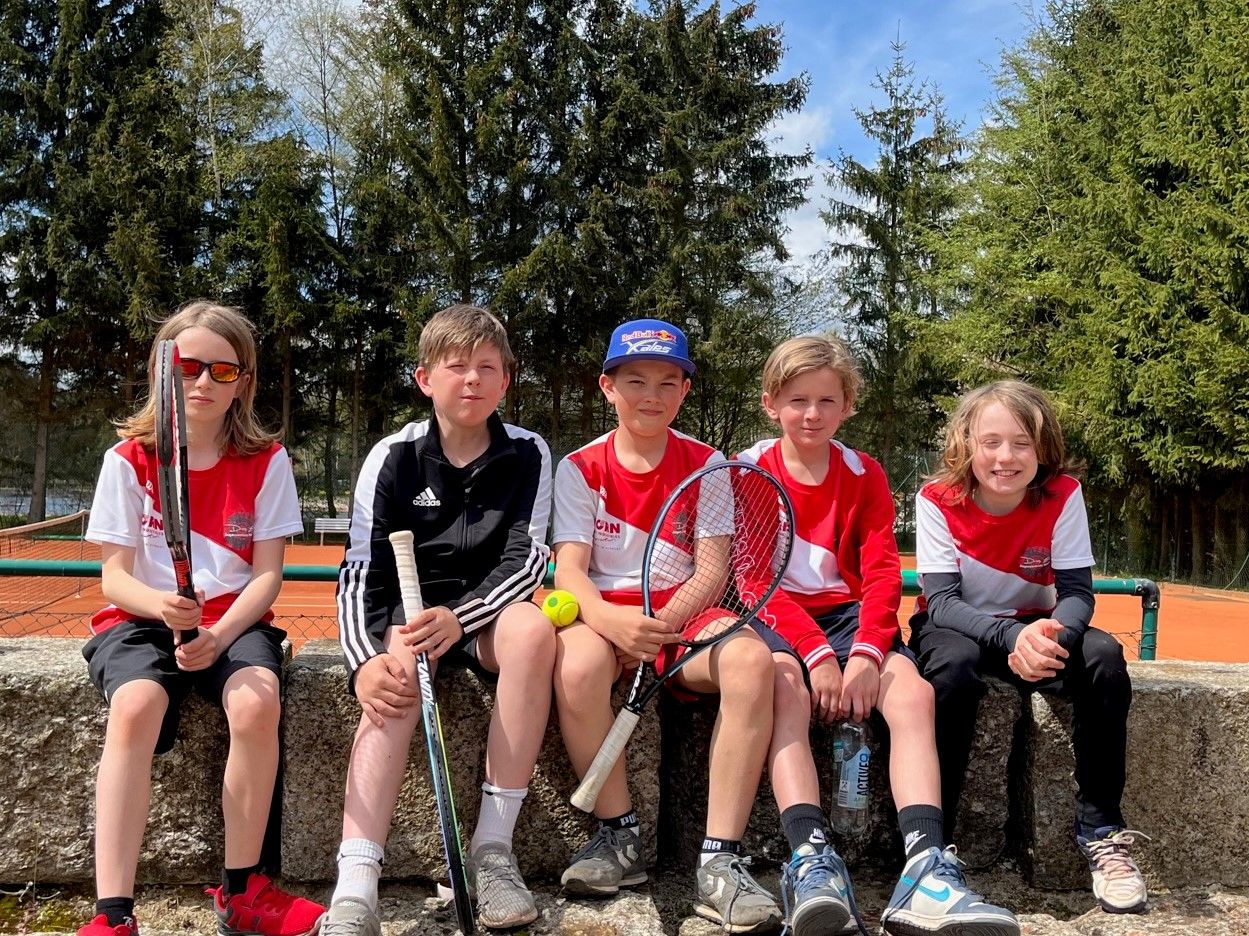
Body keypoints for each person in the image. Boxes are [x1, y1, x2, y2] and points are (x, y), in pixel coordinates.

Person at [737, 335, 1018, 936]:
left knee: (912, 693)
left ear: (847, 405)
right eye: (797, 400)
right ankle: (812, 860)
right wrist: (817, 655)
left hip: (849, 619)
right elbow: (754, 579)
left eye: (826, 401)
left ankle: (925, 869)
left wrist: (866, 653)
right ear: (770, 403)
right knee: (784, 690)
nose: (811, 414)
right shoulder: (749, 470)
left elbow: (883, 572)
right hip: (776, 615)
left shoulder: (864, 472)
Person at [78, 301, 323, 936]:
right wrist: (163, 606)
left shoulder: (267, 460)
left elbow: (266, 577)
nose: (204, 382)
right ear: (162, 373)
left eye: (223, 370)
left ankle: (242, 890)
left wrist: (217, 635)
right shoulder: (129, 459)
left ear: (244, 380)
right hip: (139, 618)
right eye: (187, 367)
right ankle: (113, 913)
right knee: (135, 706)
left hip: (233, 622)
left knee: (256, 702)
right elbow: (113, 579)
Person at [319, 304, 554, 935]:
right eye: (456, 367)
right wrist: (363, 662)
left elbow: (528, 558)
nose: (472, 379)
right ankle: (356, 883)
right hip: (410, 617)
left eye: (487, 367)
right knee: (392, 676)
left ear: (506, 380)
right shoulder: (392, 456)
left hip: (488, 614)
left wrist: (462, 615)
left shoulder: (530, 452)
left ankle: (493, 852)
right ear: (425, 379)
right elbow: (359, 568)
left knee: (534, 632)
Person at [551, 318, 783, 933]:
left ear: (684, 391)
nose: (650, 395)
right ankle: (618, 836)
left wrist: (655, 629)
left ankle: (720, 863)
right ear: (608, 387)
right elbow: (570, 570)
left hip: (683, 616)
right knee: (576, 665)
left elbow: (712, 570)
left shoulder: (707, 463)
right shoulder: (578, 467)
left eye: (666, 382)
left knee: (750, 660)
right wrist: (611, 622)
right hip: (605, 616)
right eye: (635, 381)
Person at [910, 379, 1145, 914]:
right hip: (960, 628)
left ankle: (1102, 830)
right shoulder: (936, 498)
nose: (1005, 457)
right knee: (952, 670)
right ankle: (931, 846)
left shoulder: (1063, 494)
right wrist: (1012, 637)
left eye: (1021, 443)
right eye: (990, 442)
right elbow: (941, 602)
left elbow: (1077, 593)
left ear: (1043, 449)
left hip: (1038, 629)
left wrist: (1051, 638)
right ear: (966, 444)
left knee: (1105, 659)